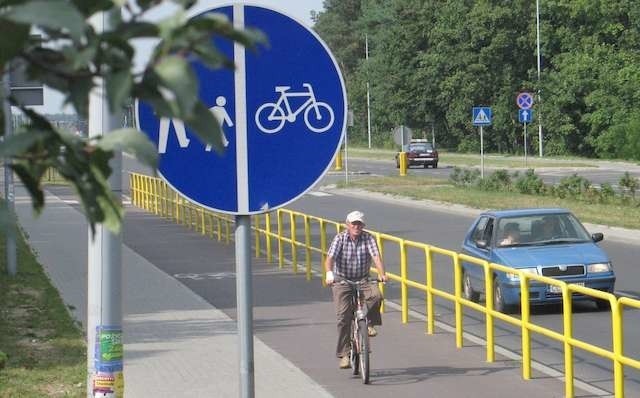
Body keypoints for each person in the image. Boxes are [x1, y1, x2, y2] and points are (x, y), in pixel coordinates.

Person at [324, 210, 387, 369]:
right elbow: (329, 259)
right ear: (347, 225)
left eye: (359, 224)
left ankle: (370, 323)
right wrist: (329, 274)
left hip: (363, 278)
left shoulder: (368, 238)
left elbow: (376, 257)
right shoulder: (340, 238)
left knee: (376, 295)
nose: (356, 227)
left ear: (363, 225)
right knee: (343, 317)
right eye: (353, 224)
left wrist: (382, 274)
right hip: (342, 280)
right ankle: (344, 354)